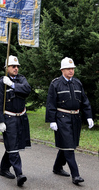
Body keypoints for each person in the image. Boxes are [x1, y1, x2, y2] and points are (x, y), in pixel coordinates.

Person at [46, 57, 94, 185]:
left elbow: (84, 101)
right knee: (68, 146)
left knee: (69, 144)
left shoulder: (77, 83)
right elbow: (50, 103)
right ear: (62, 70)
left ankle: (57, 167)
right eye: (68, 68)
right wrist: (52, 120)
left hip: (75, 118)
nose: (71, 71)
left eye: (72, 68)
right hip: (62, 117)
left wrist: (89, 116)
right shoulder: (55, 84)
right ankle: (76, 175)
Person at [0, 55, 31, 187]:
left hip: (21, 117)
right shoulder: (1, 82)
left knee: (14, 145)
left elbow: (27, 90)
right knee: (13, 146)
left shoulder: (21, 79)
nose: (15, 68)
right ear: (6, 68)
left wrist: (13, 85)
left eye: (17, 66)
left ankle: (3, 168)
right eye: (13, 66)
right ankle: (19, 174)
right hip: (9, 117)